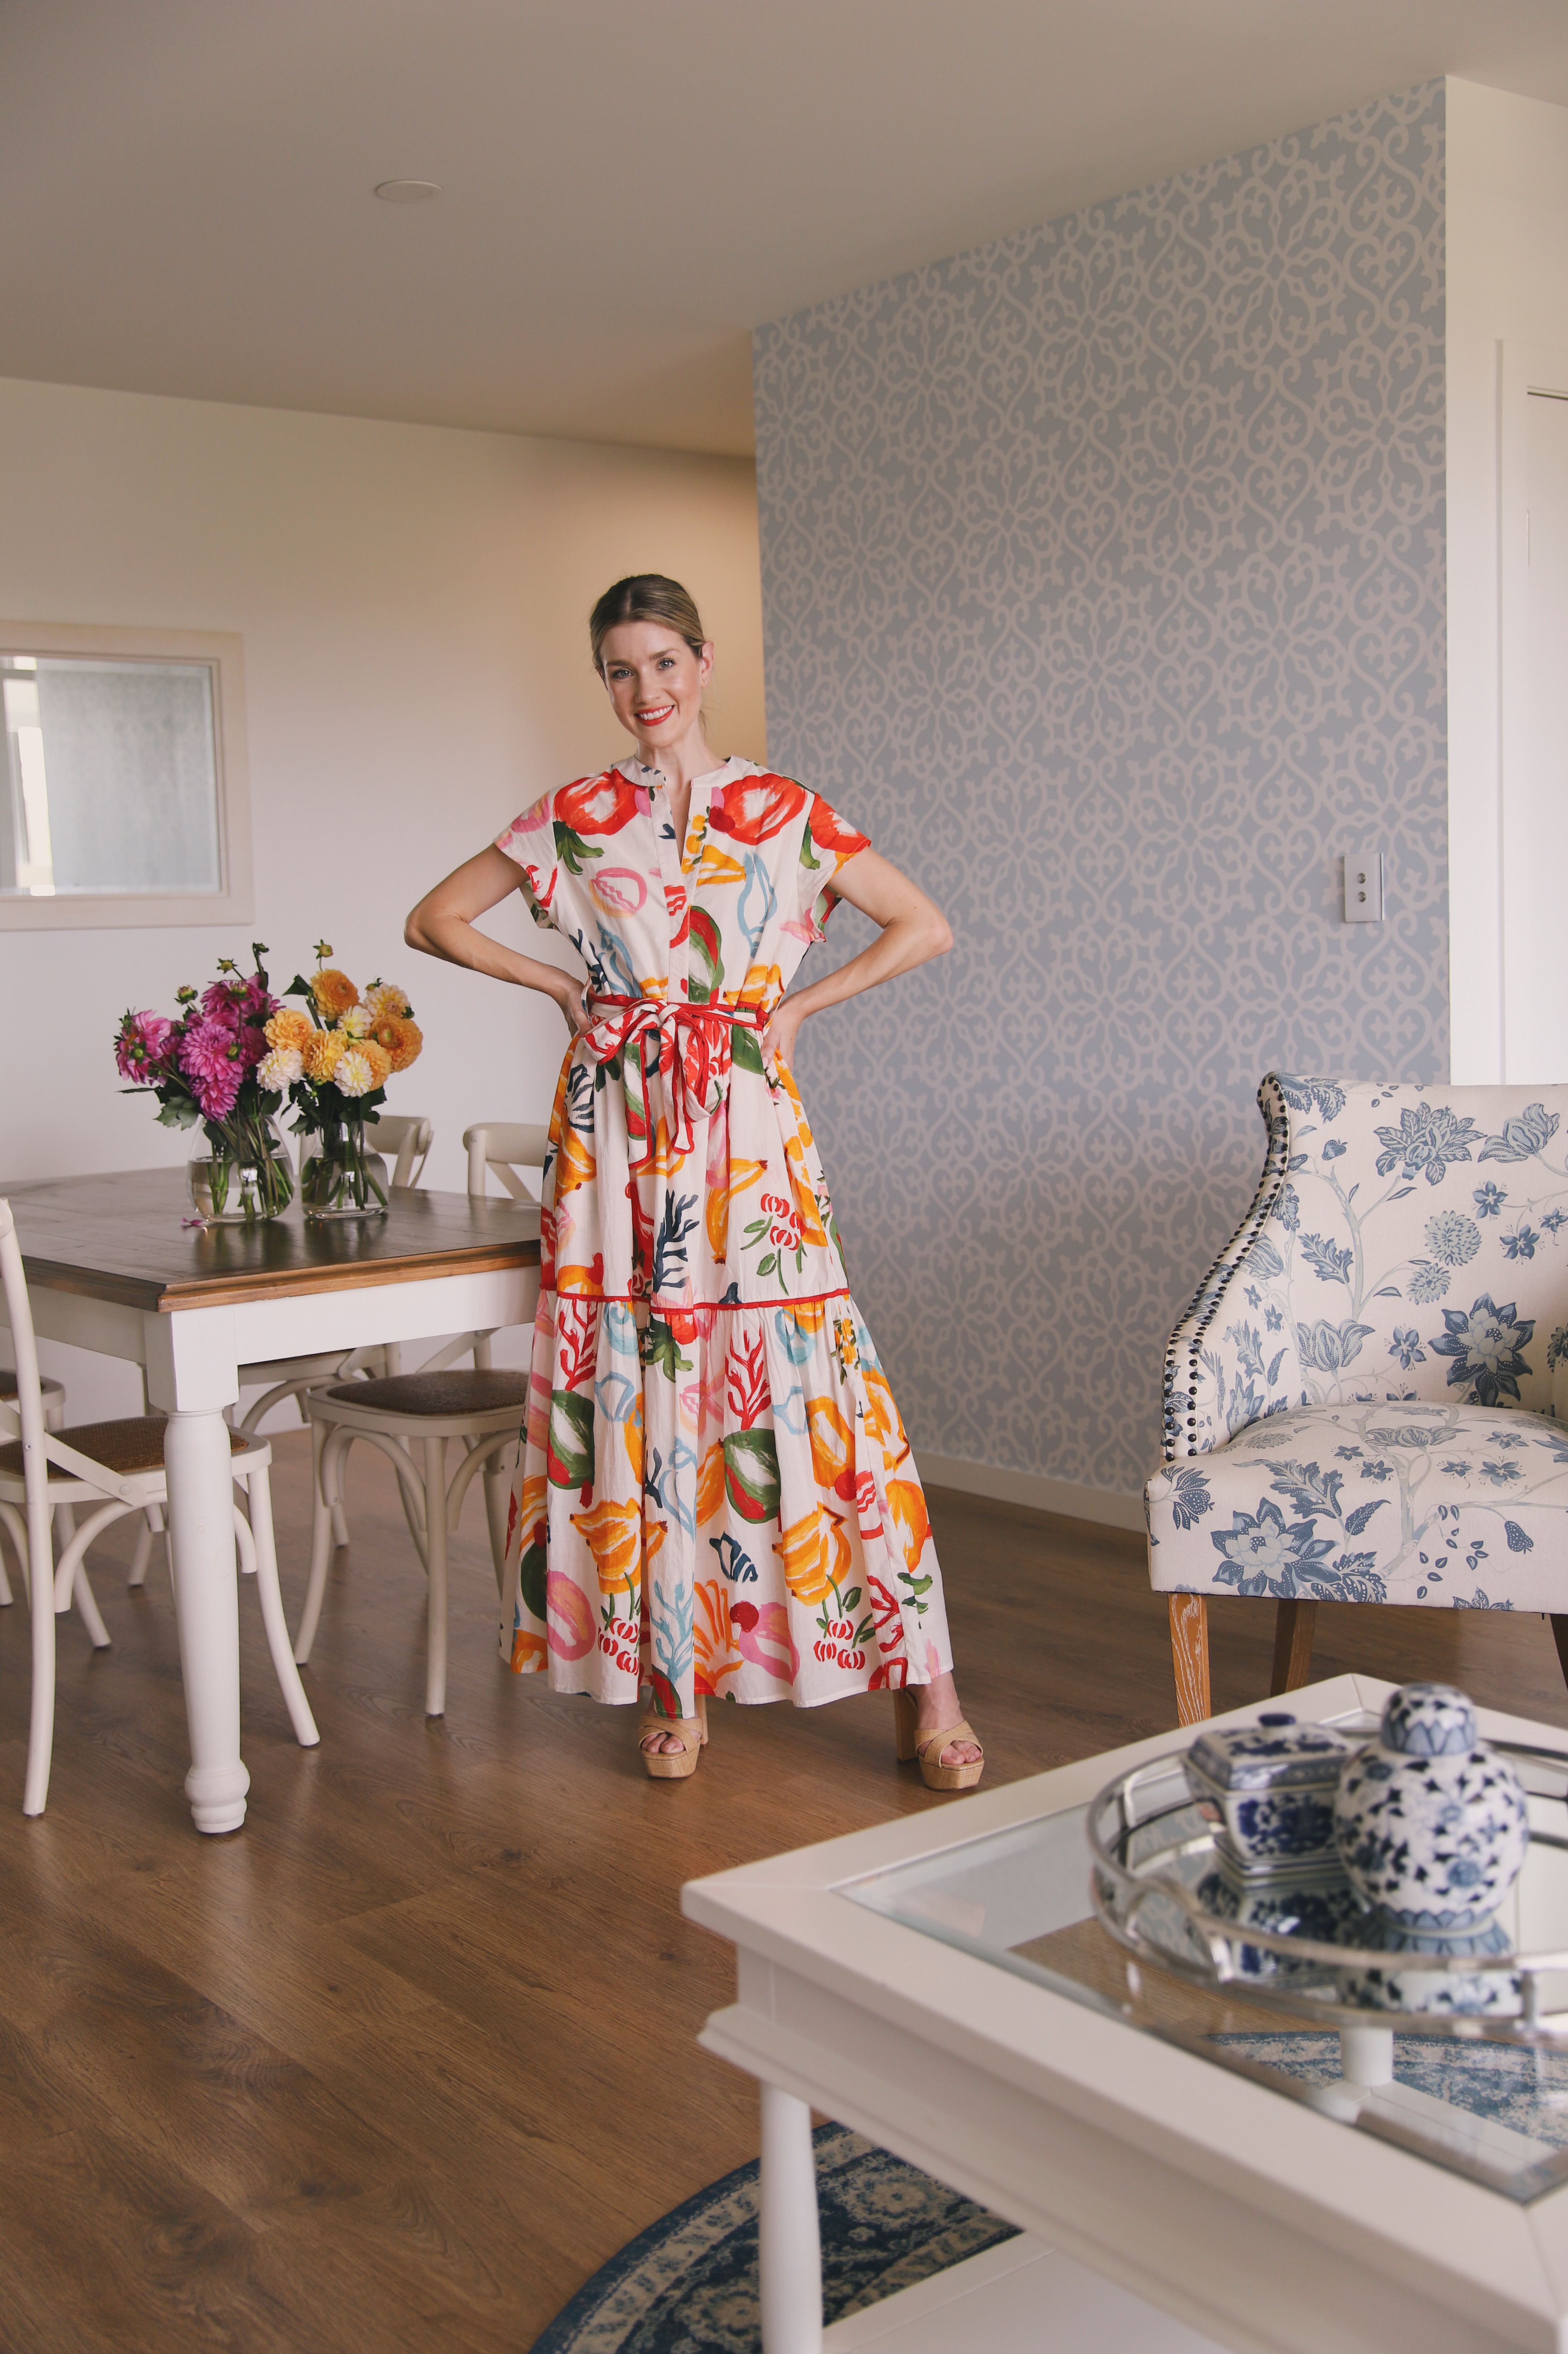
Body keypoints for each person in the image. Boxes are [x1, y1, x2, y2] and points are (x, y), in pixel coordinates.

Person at [406, 574, 982, 1788]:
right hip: (615, 1132)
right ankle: (675, 1680)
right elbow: (435, 919)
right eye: (621, 669)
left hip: (746, 1125)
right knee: (642, 1384)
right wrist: (560, 986)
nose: (645, 690)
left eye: (664, 662)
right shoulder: (575, 813)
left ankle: (927, 1684)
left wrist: (797, 1010)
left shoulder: (784, 811)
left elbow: (922, 925)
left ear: (704, 664)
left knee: (817, 1381)